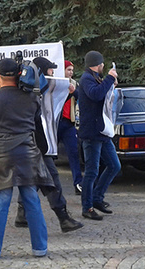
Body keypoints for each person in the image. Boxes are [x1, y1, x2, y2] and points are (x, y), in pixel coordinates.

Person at [0, 58, 55, 259]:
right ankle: (40, 248)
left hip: (3, 154)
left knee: (1, 200)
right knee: (31, 199)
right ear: (19, 74)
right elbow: (37, 115)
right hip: (28, 153)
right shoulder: (30, 98)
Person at [13, 57, 83, 233]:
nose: (53, 72)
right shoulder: (35, 89)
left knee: (32, 180)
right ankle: (63, 218)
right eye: (50, 70)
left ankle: (22, 215)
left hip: (32, 143)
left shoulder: (31, 88)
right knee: (52, 180)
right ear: (42, 72)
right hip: (37, 143)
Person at [78, 51, 121, 220]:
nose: (104, 66)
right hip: (92, 132)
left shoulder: (94, 77)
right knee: (91, 171)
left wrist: (111, 86)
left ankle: (97, 198)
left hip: (102, 131)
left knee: (114, 165)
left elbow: (101, 95)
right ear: (98, 64)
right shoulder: (87, 78)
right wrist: (109, 79)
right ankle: (87, 207)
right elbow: (95, 94)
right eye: (102, 64)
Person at [57, 60, 83, 195]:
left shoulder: (74, 84)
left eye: (72, 70)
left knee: (73, 152)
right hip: (56, 123)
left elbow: (80, 98)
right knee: (49, 154)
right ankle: (43, 184)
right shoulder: (55, 82)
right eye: (68, 70)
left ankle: (78, 183)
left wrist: (74, 92)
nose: (71, 73)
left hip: (69, 122)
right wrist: (69, 93)